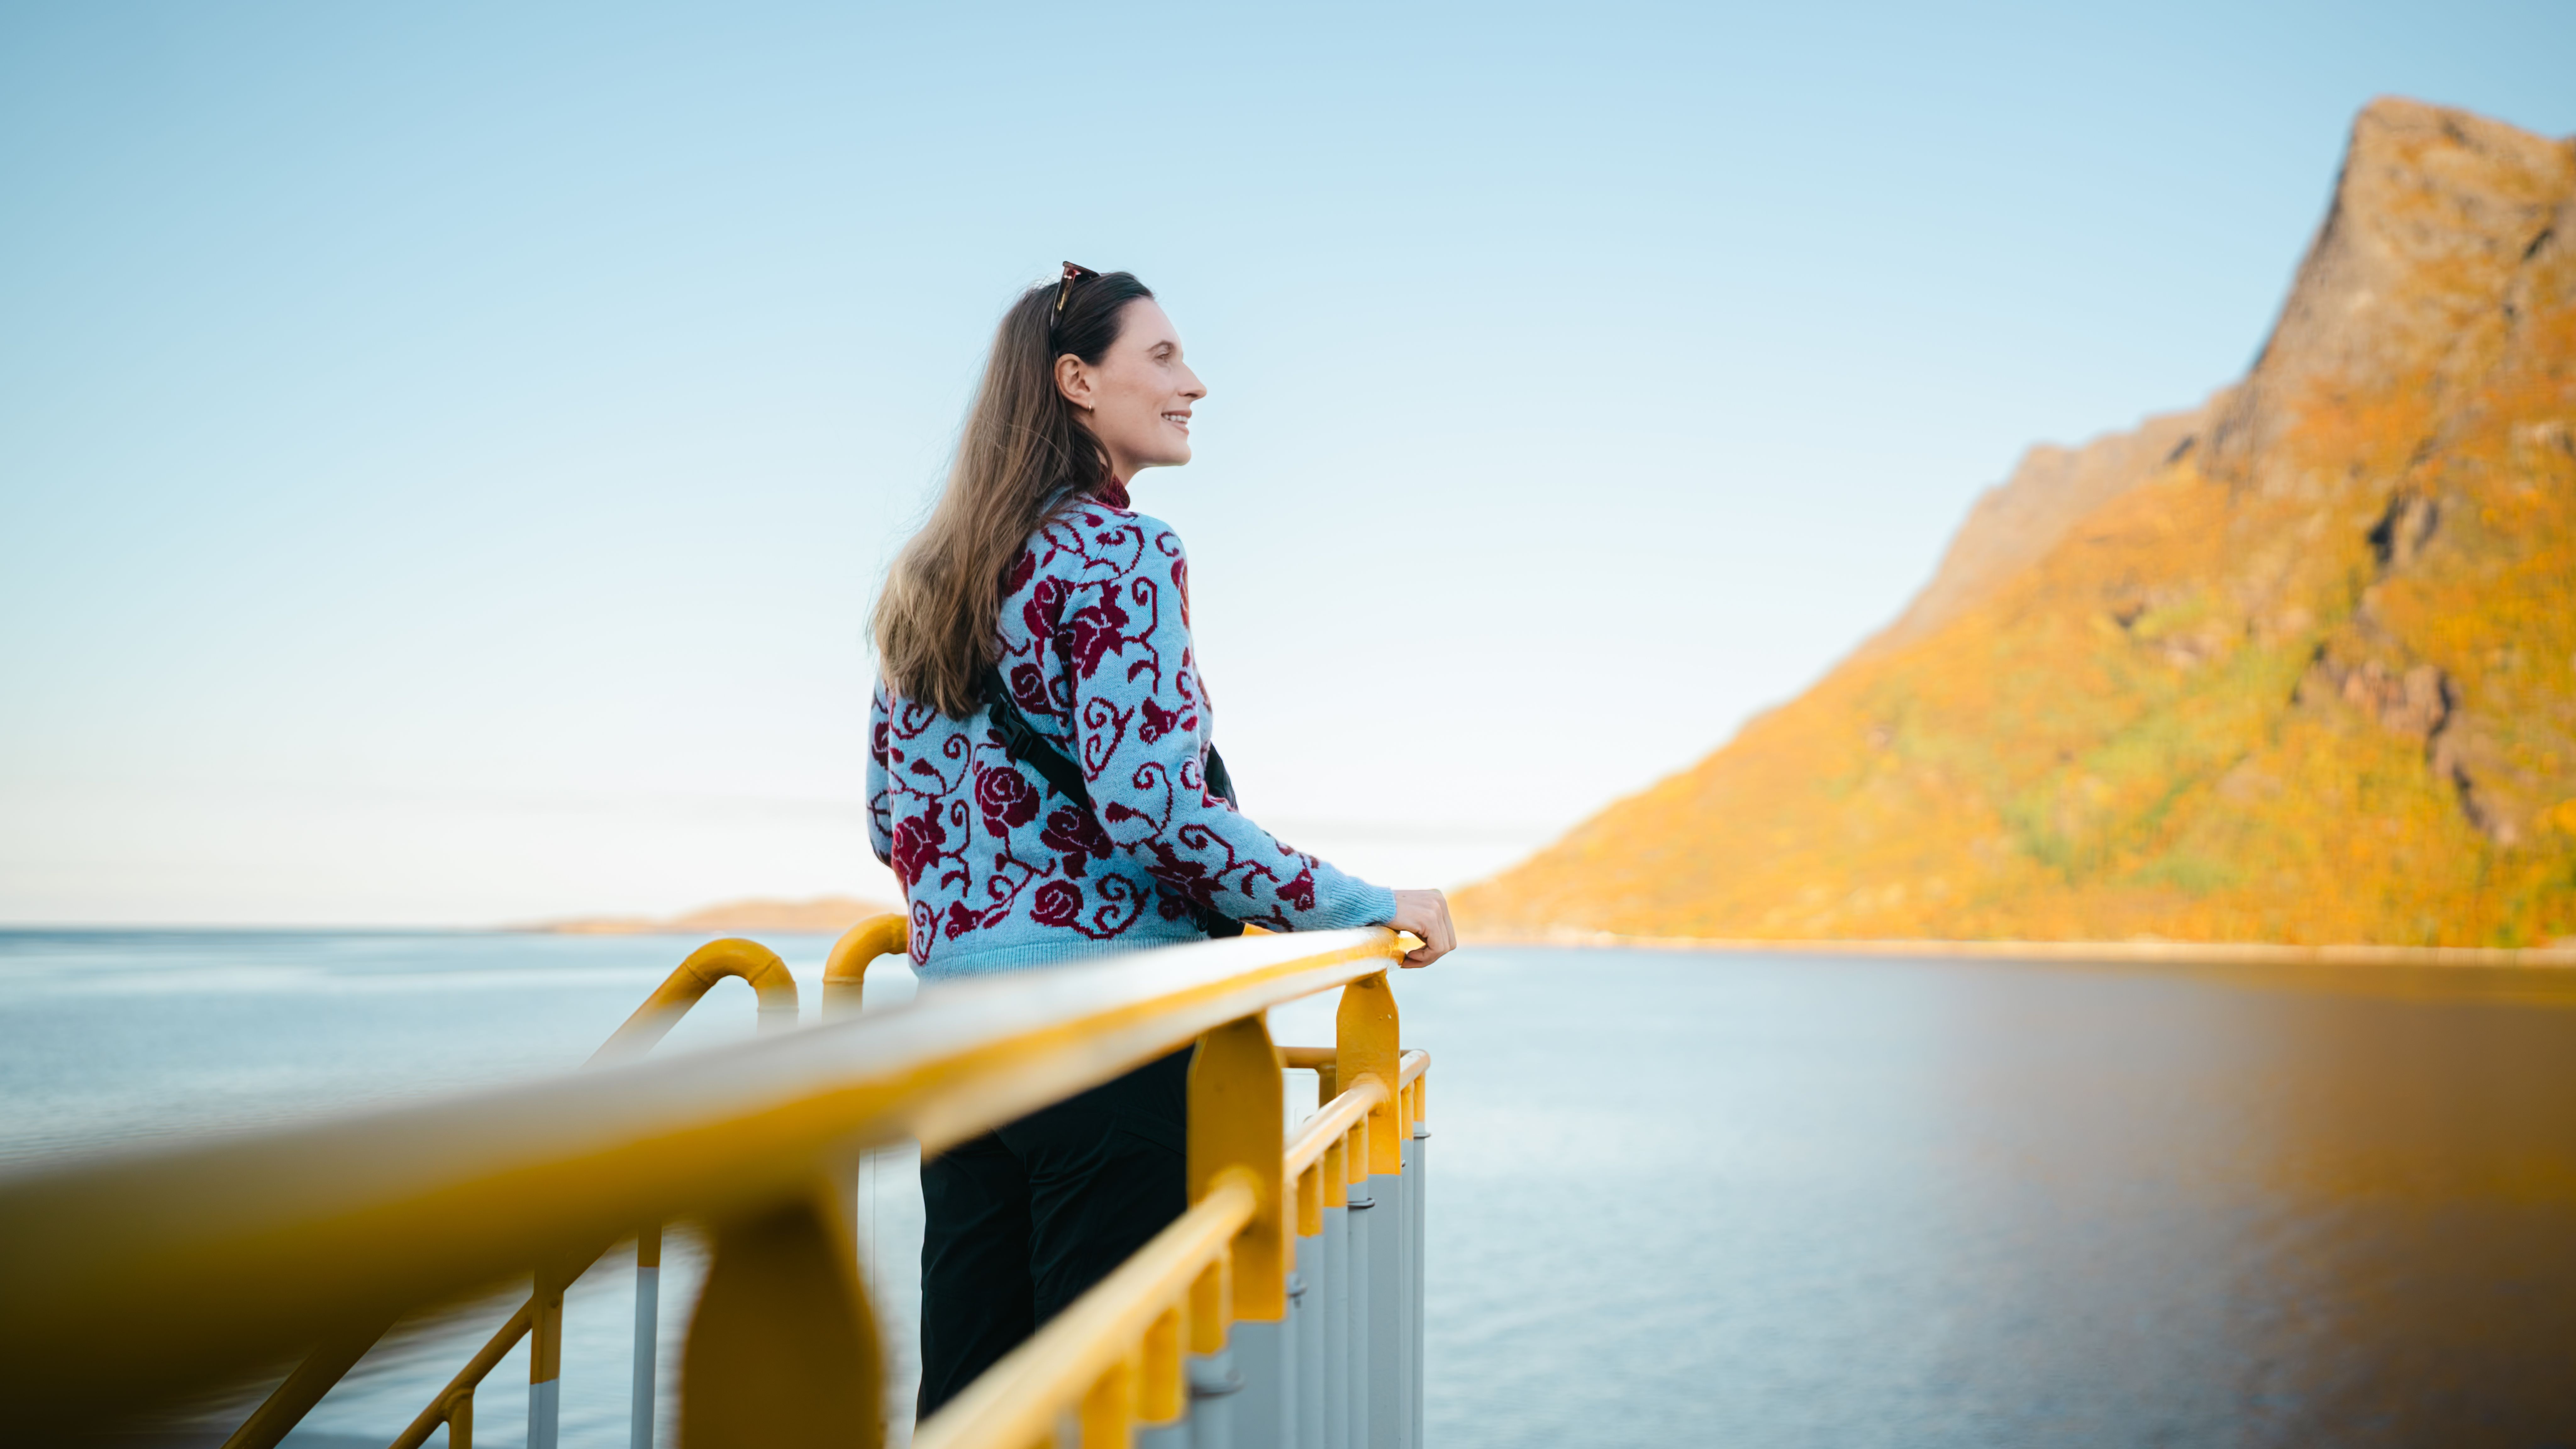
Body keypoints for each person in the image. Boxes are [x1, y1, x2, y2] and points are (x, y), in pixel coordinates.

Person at [866, 264, 1456, 1415]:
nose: (1196, 382)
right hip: (1102, 1039)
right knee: (1103, 1396)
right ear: (1078, 382)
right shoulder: (1122, 556)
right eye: (1165, 358)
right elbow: (1159, 811)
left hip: (954, 1037)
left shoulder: (927, 579)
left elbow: (894, 820)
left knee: (973, 1394)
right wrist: (1365, 904)